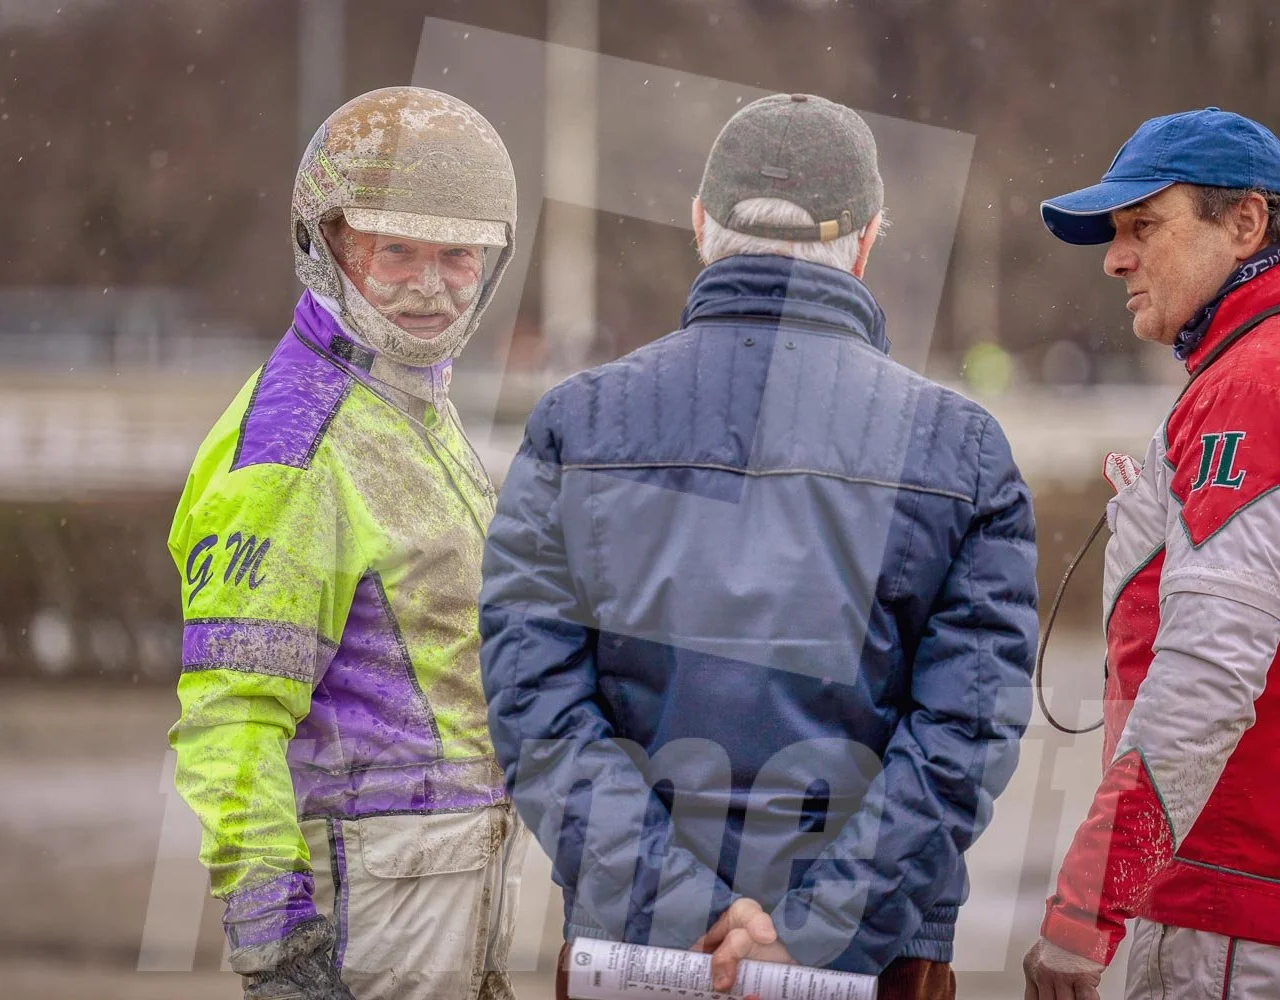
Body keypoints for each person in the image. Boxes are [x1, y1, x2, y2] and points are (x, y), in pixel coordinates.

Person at [479, 93, 1038, 1000]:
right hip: (877, 959)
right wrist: (814, 929)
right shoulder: (961, 449)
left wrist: (687, 908)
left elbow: (536, 710)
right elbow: (964, 735)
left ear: (702, 226)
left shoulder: (573, 425)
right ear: (865, 241)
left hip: (639, 953)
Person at [167, 87, 526, 1000]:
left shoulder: (408, 401)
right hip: (370, 890)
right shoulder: (293, 448)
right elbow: (231, 715)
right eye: (393, 250)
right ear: (324, 244)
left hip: (448, 874)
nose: (430, 283)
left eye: (457, 254)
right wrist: (279, 944)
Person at [1026, 107, 1280, 999]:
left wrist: (1085, 909)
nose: (1115, 258)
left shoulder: (1264, 385)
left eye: (1143, 226)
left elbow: (1203, 682)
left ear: (1246, 224)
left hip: (1257, 921)